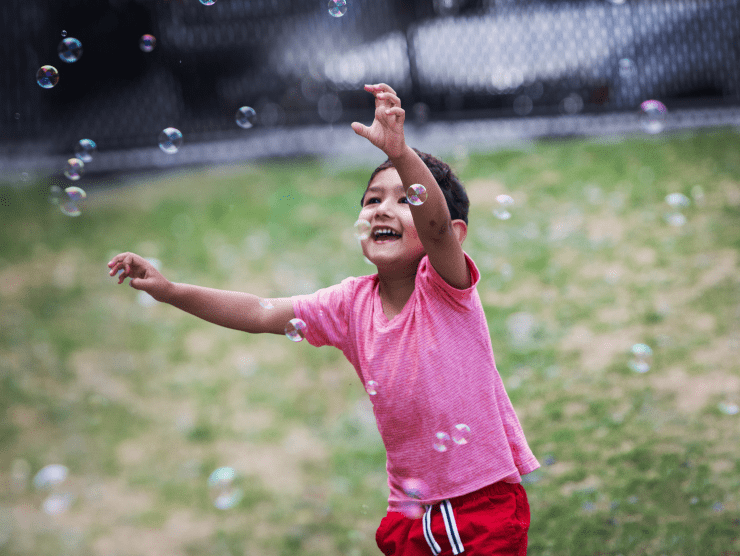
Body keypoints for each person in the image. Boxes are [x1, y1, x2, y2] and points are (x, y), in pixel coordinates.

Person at [108, 83, 540, 555]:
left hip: (481, 504)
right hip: (409, 512)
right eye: (372, 200)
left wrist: (397, 150)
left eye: (403, 199)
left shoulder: (445, 288)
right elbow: (258, 311)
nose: (382, 209)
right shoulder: (350, 305)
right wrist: (171, 291)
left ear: (455, 234)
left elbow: (433, 224)